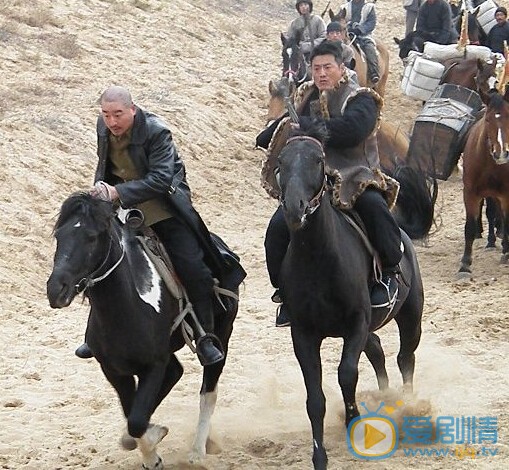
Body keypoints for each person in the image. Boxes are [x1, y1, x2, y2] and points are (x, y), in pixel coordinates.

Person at [75, 85, 225, 366]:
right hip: (121, 208)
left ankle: (205, 336)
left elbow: (162, 179)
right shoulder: (103, 127)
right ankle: (93, 334)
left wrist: (118, 193)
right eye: (106, 115)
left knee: (194, 269)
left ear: (133, 109)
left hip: (163, 207)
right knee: (96, 260)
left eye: (118, 114)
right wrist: (101, 193)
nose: (112, 122)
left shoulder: (156, 131)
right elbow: (104, 165)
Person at [256, 41, 402, 327]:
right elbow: (287, 124)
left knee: (374, 209)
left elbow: (353, 129)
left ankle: (390, 274)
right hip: (312, 179)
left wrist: (310, 127)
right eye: (316, 68)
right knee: (276, 227)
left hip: (355, 174)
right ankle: (284, 292)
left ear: (341, 67)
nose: (321, 73)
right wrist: (272, 133)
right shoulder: (305, 94)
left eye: (327, 67)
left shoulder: (362, 98)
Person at [341, 0, 380, 84]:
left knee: (370, 49)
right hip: (348, 35)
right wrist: (347, 28)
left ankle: (374, 72)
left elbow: (371, 23)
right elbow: (340, 20)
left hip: (364, 36)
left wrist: (360, 29)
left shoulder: (369, 7)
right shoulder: (345, 7)